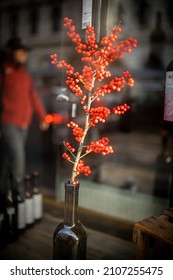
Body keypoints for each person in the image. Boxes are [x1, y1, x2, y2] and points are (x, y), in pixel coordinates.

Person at [0, 37, 49, 201]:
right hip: (8, 122)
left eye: (25, 52)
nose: (24, 55)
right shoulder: (4, 71)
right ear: (11, 52)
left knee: (6, 158)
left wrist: (43, 116)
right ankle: (18, 196)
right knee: (18, 159)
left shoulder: (24, 74)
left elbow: (33, 96)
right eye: (21, 51)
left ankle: (3, 193)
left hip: (23, 124)